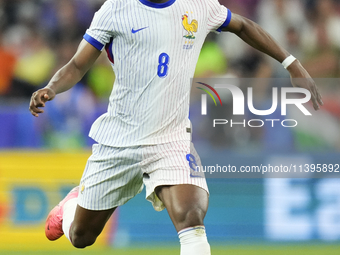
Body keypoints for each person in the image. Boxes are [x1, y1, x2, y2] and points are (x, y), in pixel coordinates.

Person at [29, 0, 323, 254]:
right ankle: (69, 208)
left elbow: (243, 26)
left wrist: (292, 63)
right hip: (120, 141)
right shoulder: (116, 9)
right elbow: (78, 65)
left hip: (171, 140)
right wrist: (51, 88)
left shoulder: (197, 6)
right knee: (82, 236)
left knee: (191, 218)